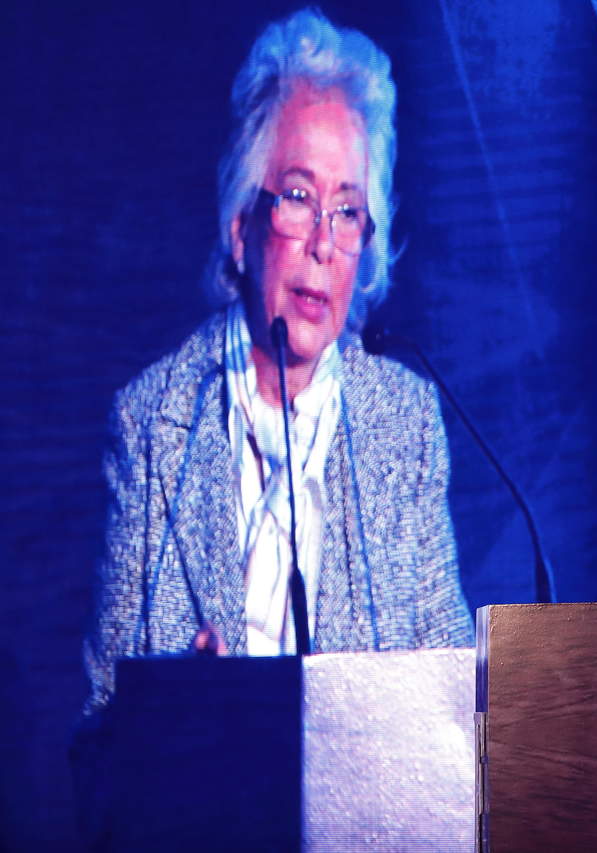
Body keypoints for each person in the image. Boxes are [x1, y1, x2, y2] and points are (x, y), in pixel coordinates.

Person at [81, 8, 473, 721]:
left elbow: (455, 709)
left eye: (347, 211)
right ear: (241, 229)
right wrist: (167, 715)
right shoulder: (152, 423)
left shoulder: (406, 422)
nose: (324, 243)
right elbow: (99, 736)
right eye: (298, 198)